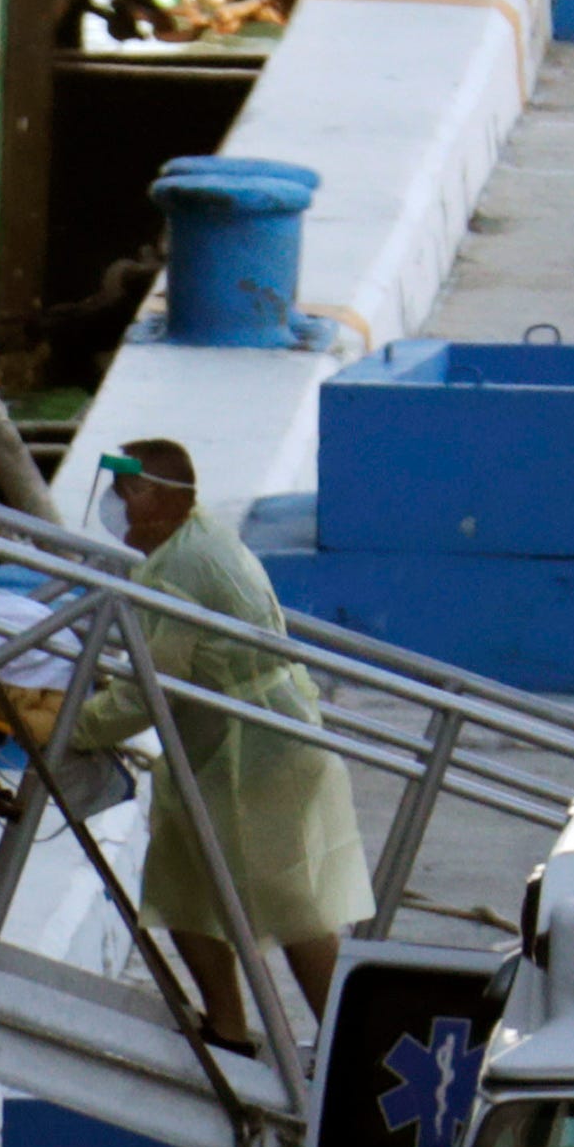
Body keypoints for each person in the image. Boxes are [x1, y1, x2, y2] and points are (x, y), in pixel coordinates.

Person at [66, 439, 372, 1053]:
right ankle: (228, 1026)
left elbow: (146, 694)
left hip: (256, 751)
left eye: (123, 495)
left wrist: (71, 727)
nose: (112, 507)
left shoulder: (179, 570)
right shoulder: (188, 542)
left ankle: (353, 1050)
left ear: (154, 499)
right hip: (233, 743)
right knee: (182, 883)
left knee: (294, 909)